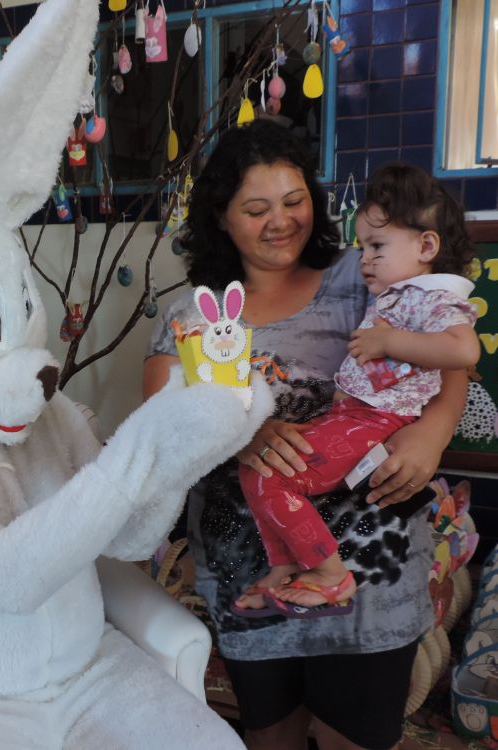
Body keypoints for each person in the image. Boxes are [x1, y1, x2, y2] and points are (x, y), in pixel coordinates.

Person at [143, 120, 470, 750]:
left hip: (372, 573)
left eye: (294, 202)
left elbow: (449, 355)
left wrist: (432, 434)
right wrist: (239, 432)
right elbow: (159, 417)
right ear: (221, 218)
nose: (281, 222)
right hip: (251, 574)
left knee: (354, 737)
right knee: (273, 735)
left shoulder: (365, 275)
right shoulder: (197, 317)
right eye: (256, 209)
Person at [235, 162, 479, 618]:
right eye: (362, 246)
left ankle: (330, 575)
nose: (365, 258)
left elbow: (464, 350)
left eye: (377, 246)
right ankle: (285, 565)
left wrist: (389, 344)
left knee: (273, 478)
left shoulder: (431, 296)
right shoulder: (395, 290)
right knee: (257, 472)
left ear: (427, 246)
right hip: (353, 416)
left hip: (375, 420)